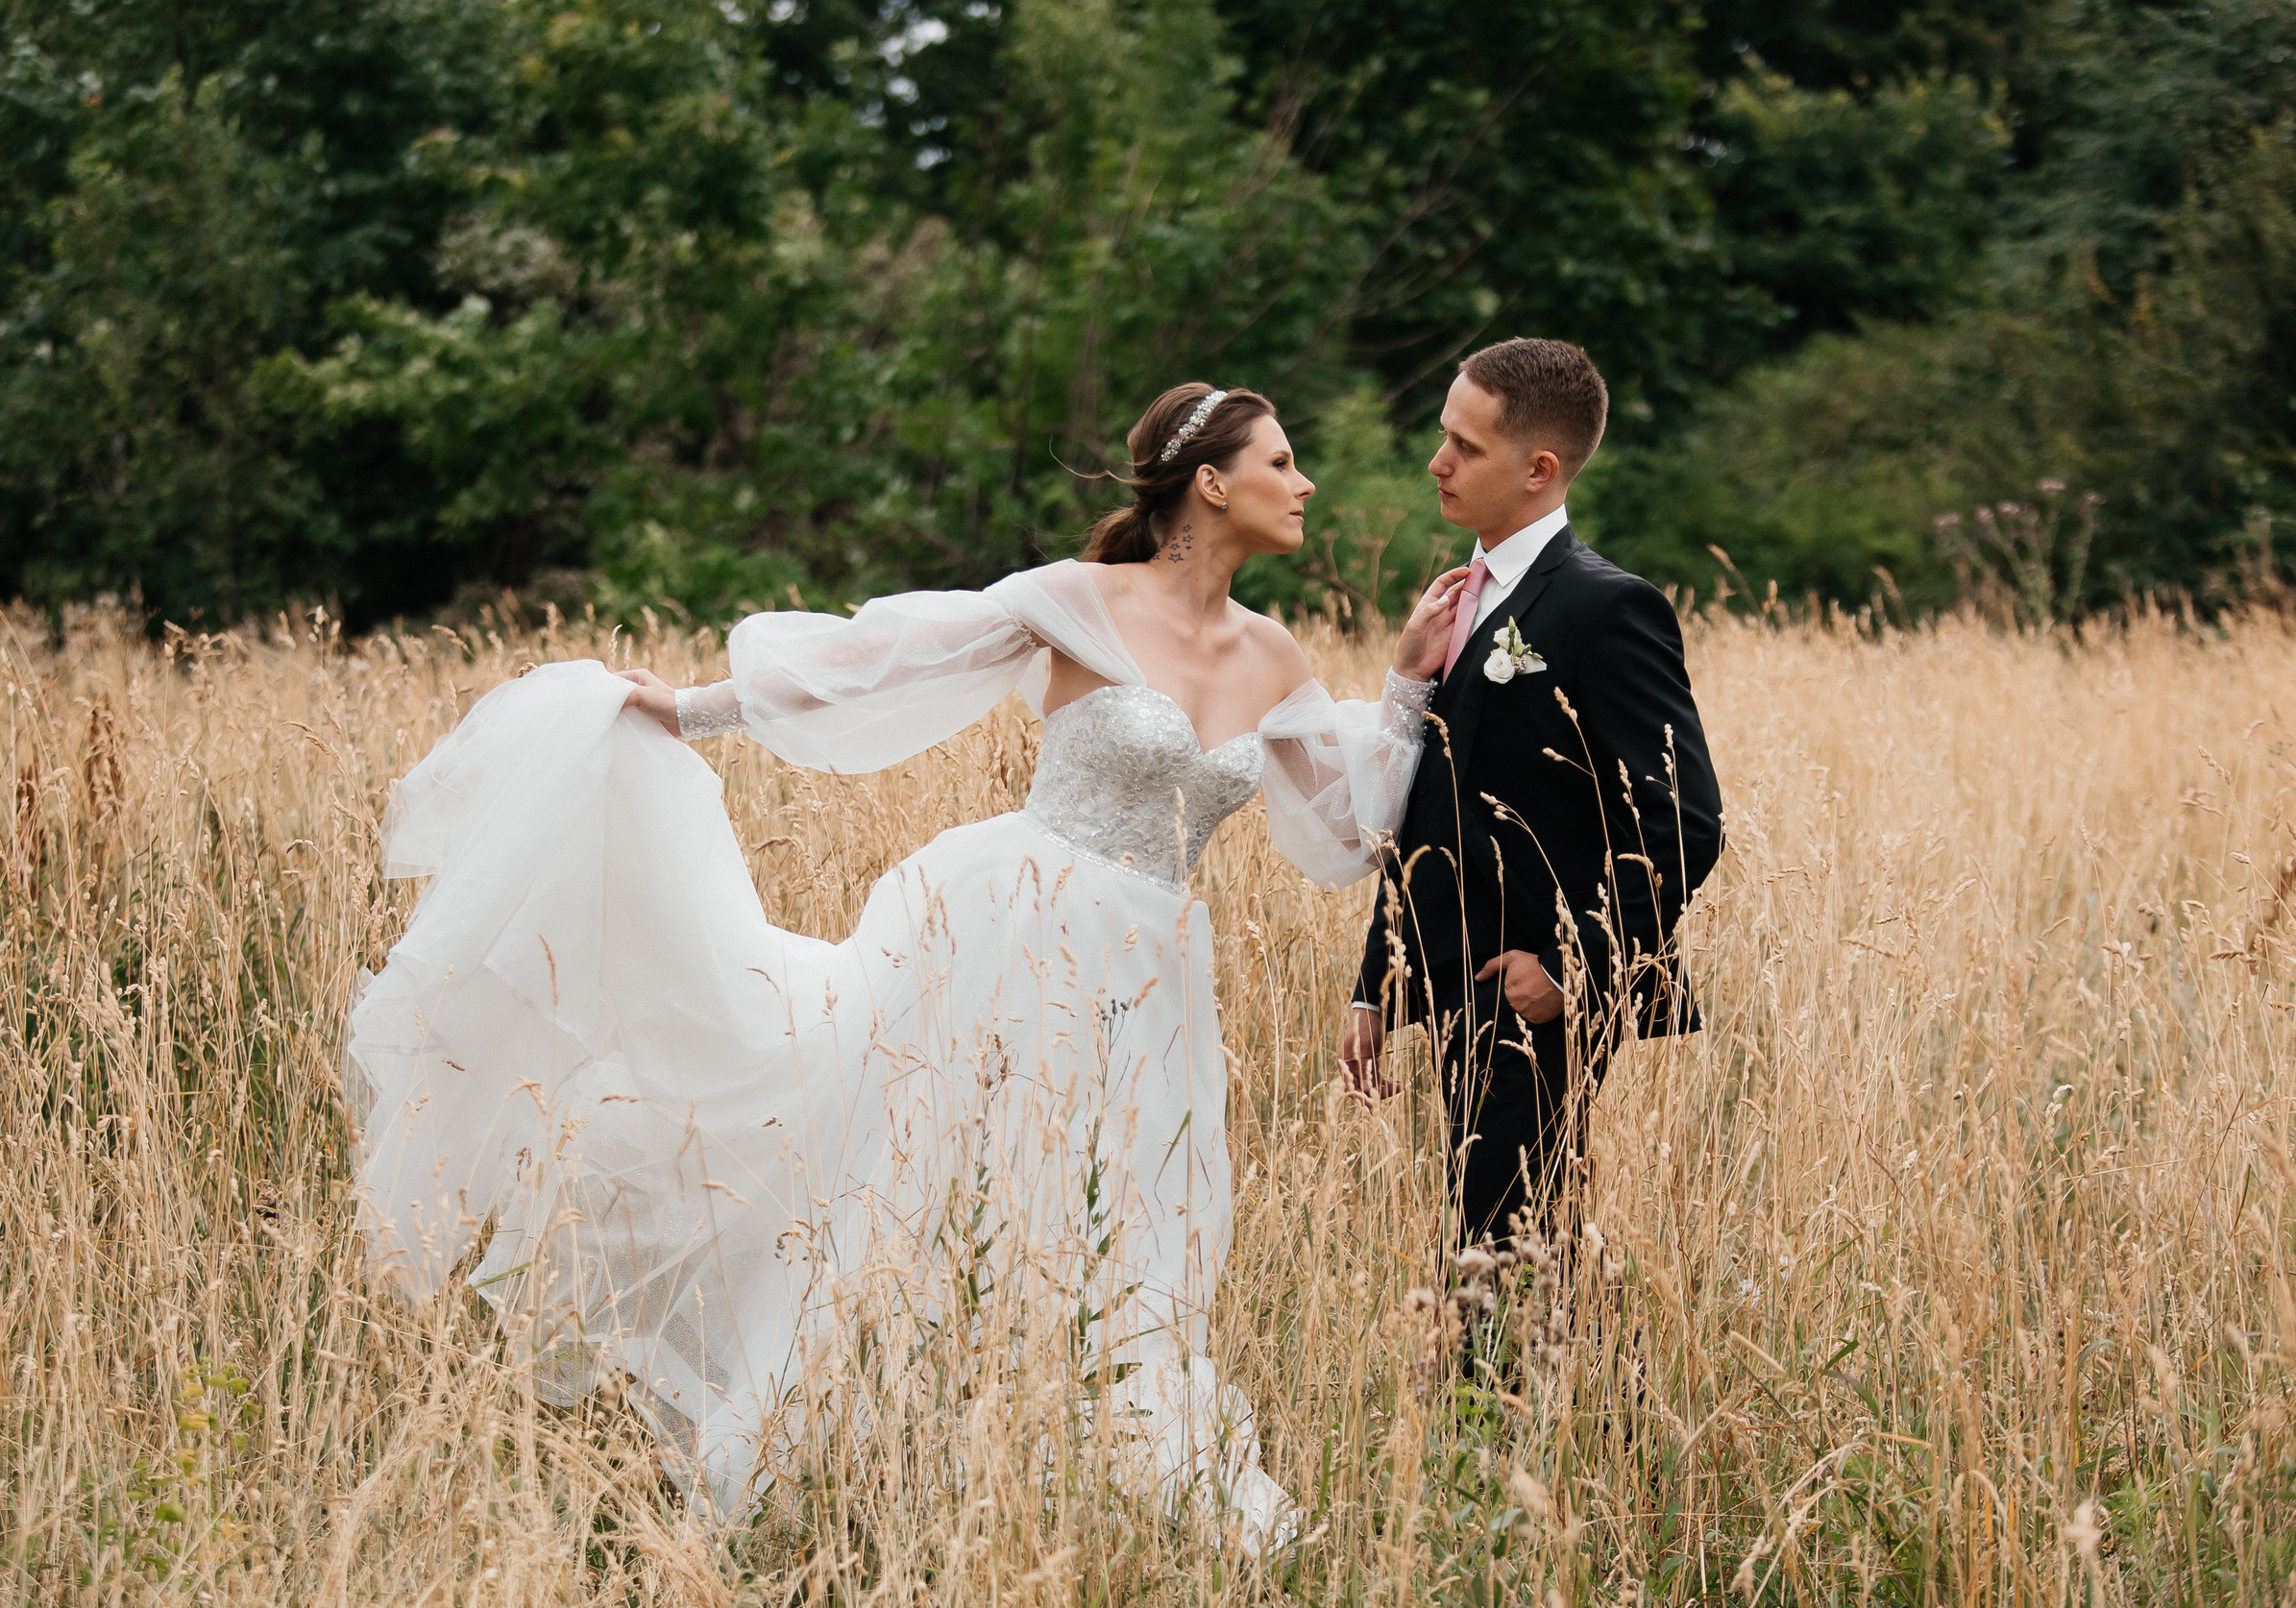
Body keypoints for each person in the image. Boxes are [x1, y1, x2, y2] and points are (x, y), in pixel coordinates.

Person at [343, 381, 1470, 1550]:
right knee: (932, 1188)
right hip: (1013, 934)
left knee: (1126, 1217)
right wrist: (690, 708)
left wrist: (1401, 684)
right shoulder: (1075, 601)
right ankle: (859, 1455)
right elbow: (882, 665)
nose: (1305, 485)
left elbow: (1343, 832)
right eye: (1282, 463)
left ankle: (1078, 1463)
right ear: (1210, 482)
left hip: (1152, 978)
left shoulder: (1272, 651)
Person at [1340, 338, 1723, 1254]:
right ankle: (1572, 1400)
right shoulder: (1457, 602)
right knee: (1512, 1252)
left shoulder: (1604, 607)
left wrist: (1572, 961)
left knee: (1503, 1253)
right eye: (1443, 437)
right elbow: (1437, 806)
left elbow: (1684, 820)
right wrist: (1378, 984)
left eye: (1464, 447)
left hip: (1534, 992)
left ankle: (1549, 1401)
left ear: (1539, 468)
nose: (1437, 462)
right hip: (1462, 984)